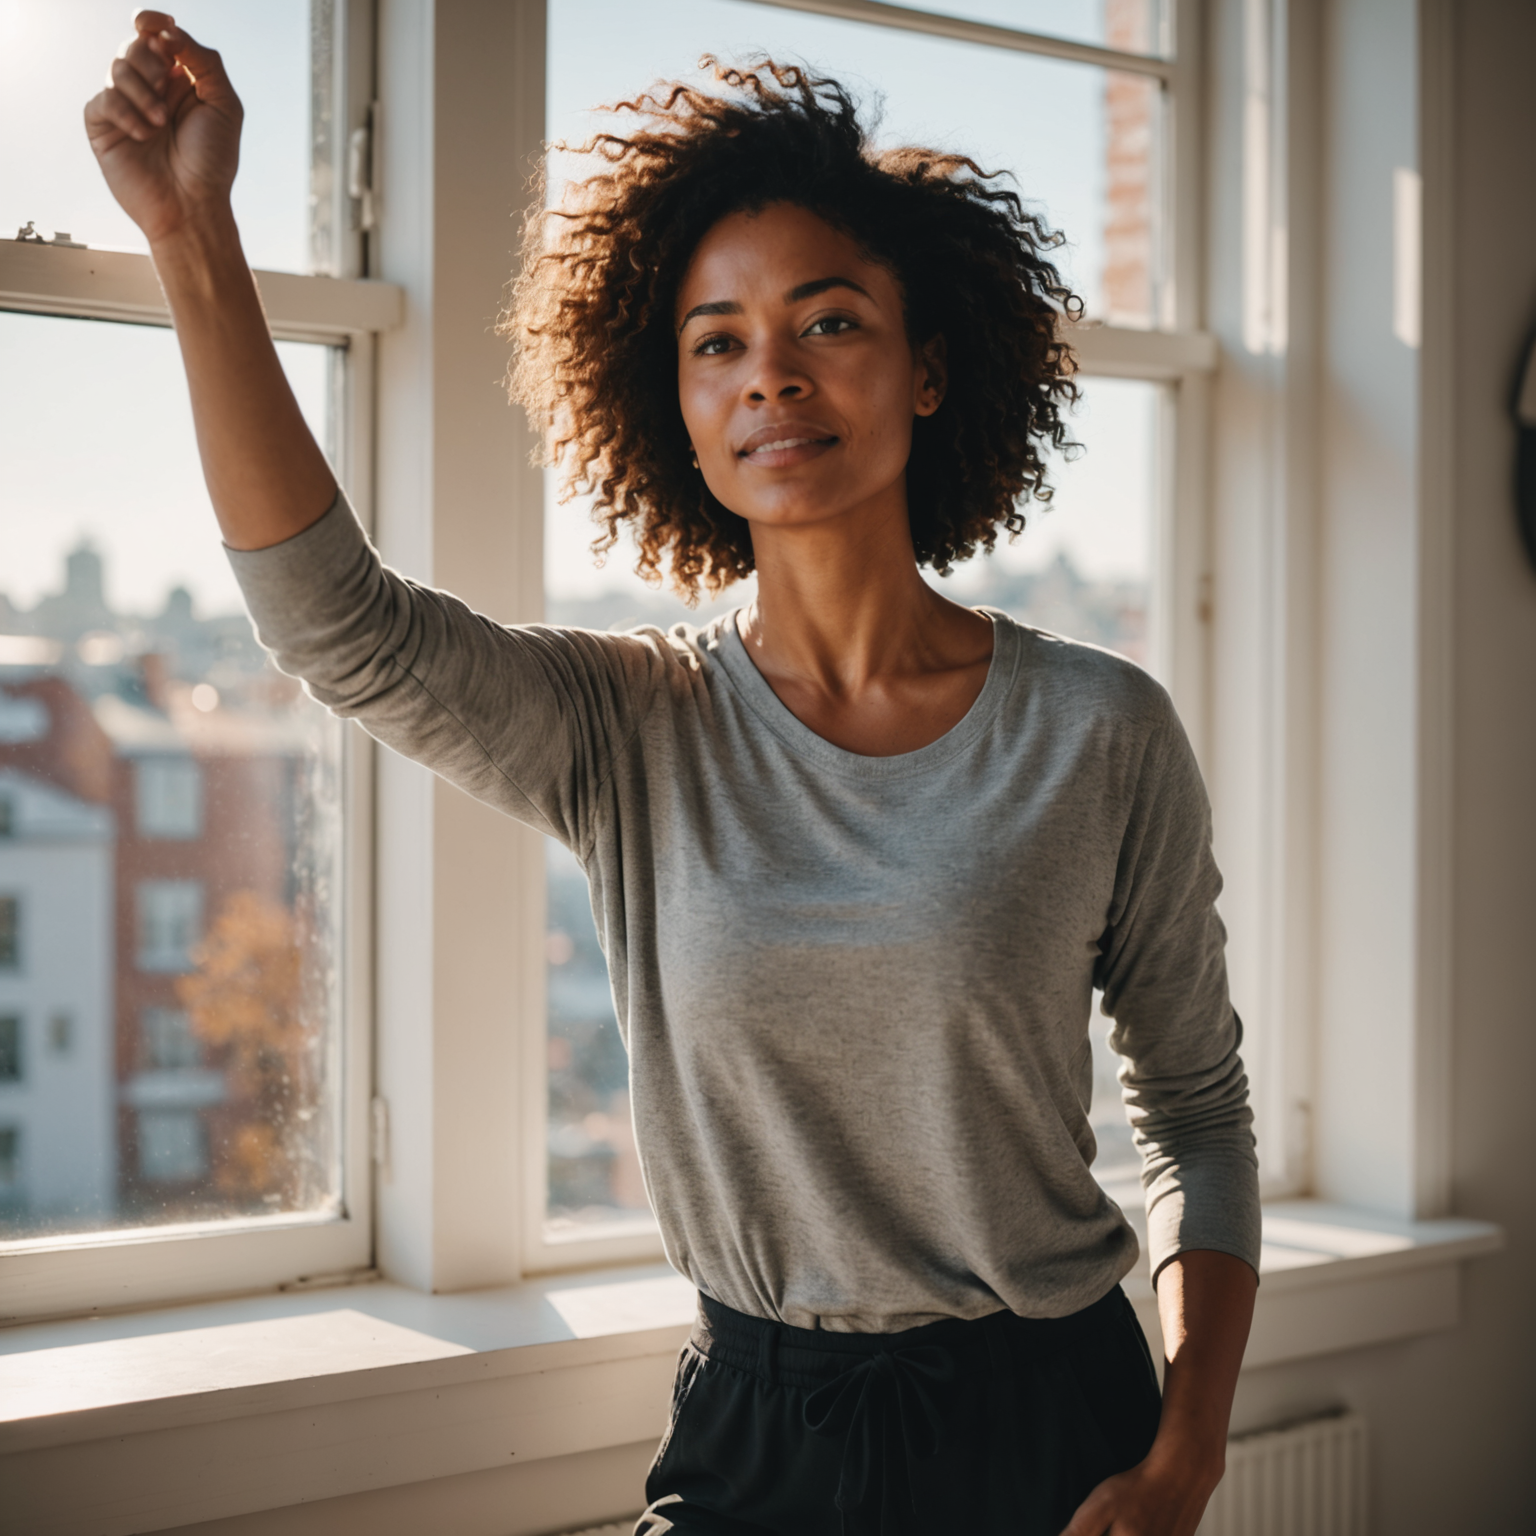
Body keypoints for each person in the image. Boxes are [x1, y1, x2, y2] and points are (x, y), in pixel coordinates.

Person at [87, 16, 1260, 1536]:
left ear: (927, 369)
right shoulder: (630, 725)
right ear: (682, 419)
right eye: (718, 341)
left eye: (829, 322)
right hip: (757, 1441)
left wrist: (1189, 1453)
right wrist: (193, 235)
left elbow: (1197, 1110)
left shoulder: (1100, 732)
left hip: (1051, 1435)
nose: (771, 372)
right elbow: (337, 622)